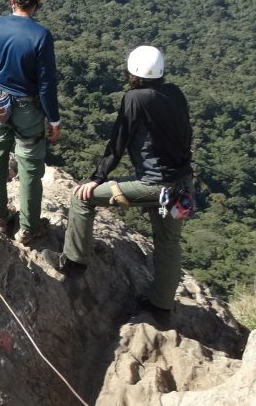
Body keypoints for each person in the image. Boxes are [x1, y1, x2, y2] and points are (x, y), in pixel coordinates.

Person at [42, 45, 193, 322]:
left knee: (82, 199)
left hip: (154, 185)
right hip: (181, 184)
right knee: (169, 242)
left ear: (132, 72)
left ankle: (73, 262)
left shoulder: (135, 98)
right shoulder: (174, 92)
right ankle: (161, 306)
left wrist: (97, 178)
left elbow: (118, 143)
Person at [0, 0, 61, 246]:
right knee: (28, 168)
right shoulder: (41, 36)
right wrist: (53, 120)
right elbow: (46, 84)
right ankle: (28, 228)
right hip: (29, 109)